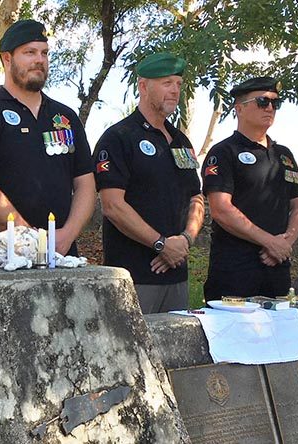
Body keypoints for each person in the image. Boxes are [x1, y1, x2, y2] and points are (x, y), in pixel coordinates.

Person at [0, 19, 95, 253]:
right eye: (29, 52)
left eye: (44, 53)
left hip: (63, 256)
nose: (39, 60)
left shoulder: (65, 116)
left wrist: (68, 234)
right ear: (7, 58)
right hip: (7, 261)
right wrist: (32, 240)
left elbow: (85, 184)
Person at [93, 53, 204, 313]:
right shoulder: (118, 138)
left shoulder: (180, 141)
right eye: (167, 83)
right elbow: (112, 206)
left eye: (178, 83)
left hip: (177, 274)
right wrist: (161, 244)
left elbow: (196, 198)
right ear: (143, 86)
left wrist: (184, 241)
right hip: (134, 277)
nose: (175, 90)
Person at [201, 77, 298, 300]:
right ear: (239, 109)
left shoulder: (284, 155)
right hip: (235, 274)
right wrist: (269, 242)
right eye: (262, 102)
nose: (270, 108)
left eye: (274, 103)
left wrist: (284, 243)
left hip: (276, 271)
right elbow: (221, 209)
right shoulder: (223, 153)